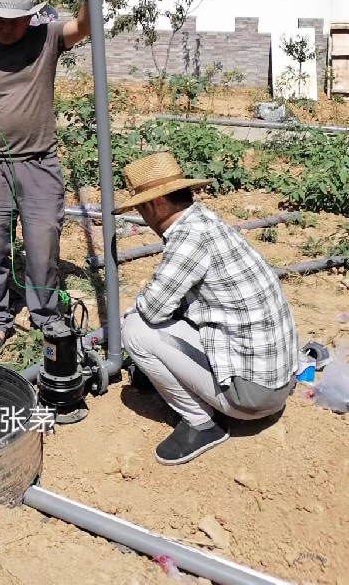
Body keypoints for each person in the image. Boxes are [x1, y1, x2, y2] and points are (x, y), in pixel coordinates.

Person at [0, 0, 109, 353]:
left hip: (40, 164)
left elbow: (84, 26)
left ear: (30, 18)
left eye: (13, 20)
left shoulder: (49, 38)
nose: (5, 28)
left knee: (43, 243)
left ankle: (45, 316)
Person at [118, 152, 299, 465]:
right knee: (167, 314)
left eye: (141, 209)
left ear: (157, 204)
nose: (144, 219)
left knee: (135, 330)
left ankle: (202, 423)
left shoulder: (188, 239)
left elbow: (151, 310)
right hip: (278, 380)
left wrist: (131, 311)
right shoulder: (205, 221)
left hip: (252, 398)